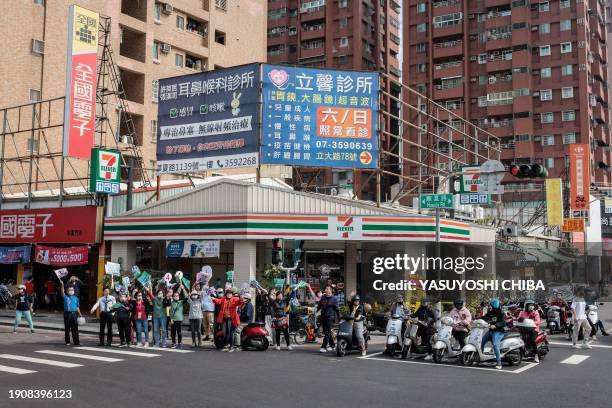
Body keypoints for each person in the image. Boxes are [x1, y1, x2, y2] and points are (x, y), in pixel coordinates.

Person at [212, 288, 244, 352]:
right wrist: (214, 299)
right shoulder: (224, 299)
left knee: (230, 332)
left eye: (230, 293)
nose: (229, 295)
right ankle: (227, 345)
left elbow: (239, 302)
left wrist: (241, 298)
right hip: (224, 318)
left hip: (231, 319)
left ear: (232, 294)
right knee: (225, 332)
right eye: (228, 293)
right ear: (226, 294)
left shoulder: (235, 299)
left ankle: (231, 346)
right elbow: (219, 301)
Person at [481, 298, 506, 369]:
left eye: (490, 305)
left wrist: (496, 325)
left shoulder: (501, 313)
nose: (489, 307)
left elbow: (503, 322)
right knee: (481, 342)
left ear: (494, 305)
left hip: (498, 332)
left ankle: (499, 362)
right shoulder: (490, 313)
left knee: (495, 345)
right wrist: (477, 320)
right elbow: (484, 318)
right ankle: (481, 357)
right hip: (490, 331)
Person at [318, 284, 339, 353]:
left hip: (330, 317)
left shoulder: (334, 299)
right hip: (323, 316)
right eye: (326, 289)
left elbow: (337, 309)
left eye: (328, 289)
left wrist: (338, 318)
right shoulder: (322, 297)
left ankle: (323, 347)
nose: (327, 290)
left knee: (327, 332)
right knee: (327, 332)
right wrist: (316, 310)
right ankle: (332, 345)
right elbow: (319, 305)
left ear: (331, 290)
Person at [59, 280, 81, 346]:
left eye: (72, 290)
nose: (71, 291)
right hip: (67, 314)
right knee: (67, 328)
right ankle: (67, 341)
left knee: (75, 328)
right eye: (70, 290)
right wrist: (62, 285)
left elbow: (77, 307)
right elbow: (62, 292)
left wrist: (80, 314)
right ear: (67, 291)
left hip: (74, 314)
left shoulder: (76, 298)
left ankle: (76, 342)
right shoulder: (65, 297)